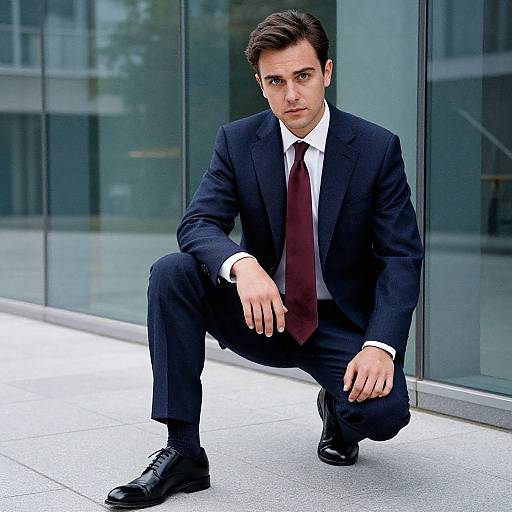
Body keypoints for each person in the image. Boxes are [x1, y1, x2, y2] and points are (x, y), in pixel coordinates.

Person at [105, 9, 424, 509]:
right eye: (276, 81)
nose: (291, 94)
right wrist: (243, 265)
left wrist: (381, 346)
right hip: (263, 312)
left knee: (382, 416)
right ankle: (183, 451)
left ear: (327, 73)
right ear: (260, 84)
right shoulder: (237, 141)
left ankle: (338, 413)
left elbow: (401, 256)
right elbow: (198, 224)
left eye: (303, 76)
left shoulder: (375, 148)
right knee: (172, 272)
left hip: (336, 321)